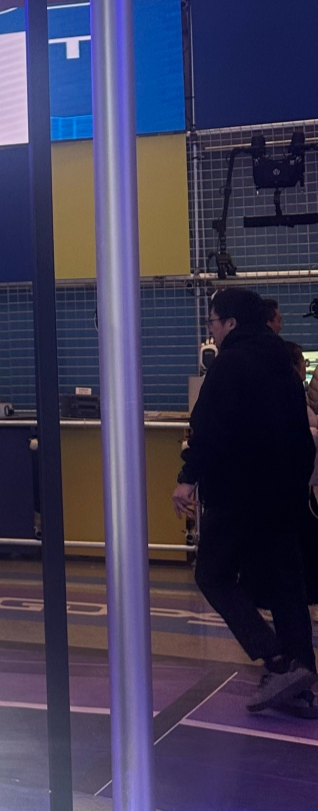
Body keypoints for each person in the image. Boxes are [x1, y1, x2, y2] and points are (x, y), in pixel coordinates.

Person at [174, 288, 317, 715]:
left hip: (237, 494)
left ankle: (276, 660)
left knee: (213, 574)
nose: (212, 331)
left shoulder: (230, 364)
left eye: (213, 322)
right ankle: (301, 681)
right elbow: (300, 433)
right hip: (283, 496)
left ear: (231, 323)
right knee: (286, 583)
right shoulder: (282, 362)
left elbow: (209, 428)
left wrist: (188, 478)